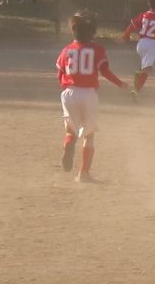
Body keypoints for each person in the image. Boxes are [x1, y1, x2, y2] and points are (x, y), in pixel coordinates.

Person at [55, 13, 133, 183]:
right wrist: (121, 84)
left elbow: (59, 73)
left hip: (69, 93)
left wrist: (67, 85)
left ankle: (69, 143)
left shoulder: (67, 50)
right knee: (89, 135)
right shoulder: (97, 49)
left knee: (71, 130)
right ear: (92, 33)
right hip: (88, 94)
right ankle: (83, 174)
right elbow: (104, 71)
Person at [121, 0, 155, 95]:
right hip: (152, 44)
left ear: (149, 4)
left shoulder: (144, 15)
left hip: (141, 43)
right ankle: (137, 83)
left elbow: (132, 25)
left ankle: (135, 90)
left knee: (144, 68)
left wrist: (125, 35)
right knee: (147, 69)